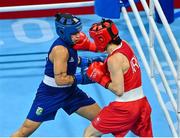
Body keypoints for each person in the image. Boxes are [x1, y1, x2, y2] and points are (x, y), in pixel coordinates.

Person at [11, 13, 105, 137]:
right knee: (25, 131)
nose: (79, 36)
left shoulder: (70, 44)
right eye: (74, 34)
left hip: (70, 92)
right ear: (63, 32)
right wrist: (83, 77)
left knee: (101, 121)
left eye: (78, 32)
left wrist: (89, 61)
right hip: (50, 94)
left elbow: (72, 60)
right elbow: (60, 80)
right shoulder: (60, 50)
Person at [82, 19, 153, 137]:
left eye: (95, 39)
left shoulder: (114, 60)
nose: (94, 42)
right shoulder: (125, 44)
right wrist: (89, 46)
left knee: (89, 133)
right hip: (141, 103)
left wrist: (100, 78)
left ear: (101, 39)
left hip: (125, 108)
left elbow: (118, 90)